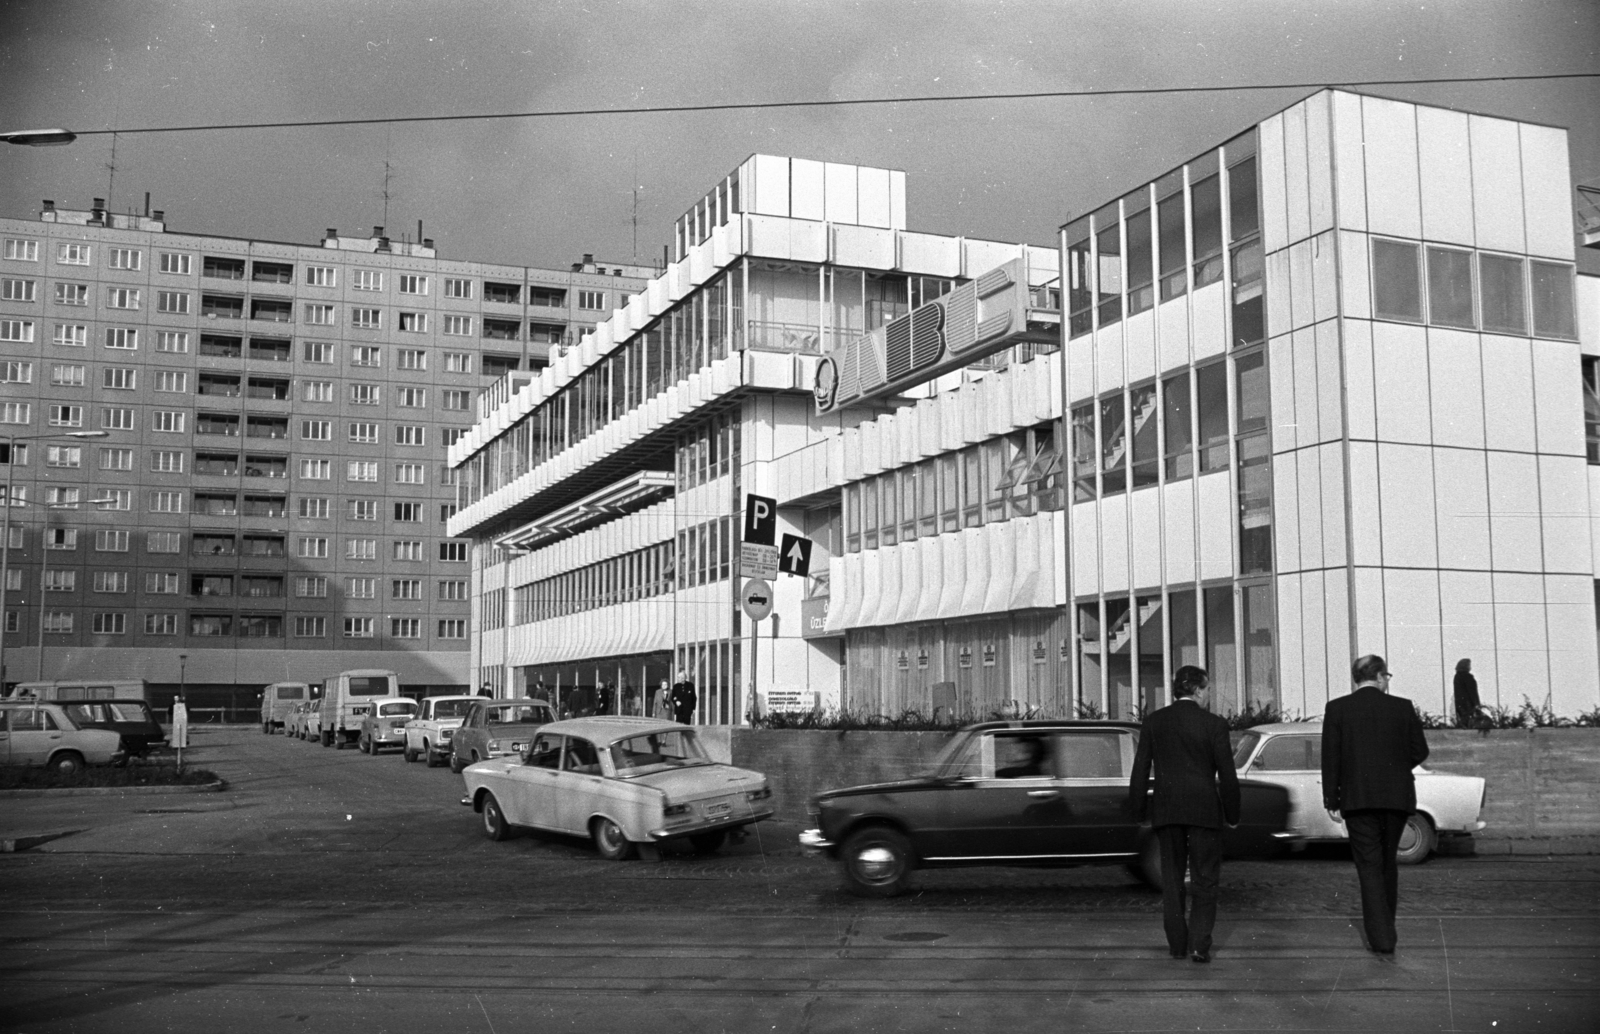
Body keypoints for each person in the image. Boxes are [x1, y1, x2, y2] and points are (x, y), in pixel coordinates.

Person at [1126, 665, 1240, 964]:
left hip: (1167, 810)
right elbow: (1227, 774)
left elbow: (1140, 770)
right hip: (1204, 811)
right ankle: (1200, 945)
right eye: (1208, 690)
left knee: (1172, 878)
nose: (1209, 696)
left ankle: (1177, 944)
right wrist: (1233, 812)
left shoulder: (1154, 722)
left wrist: (1138, 810)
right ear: (1198, 690)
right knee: (1205, 879)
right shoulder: (1214, 724)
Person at [1321, 654, 1430, 958]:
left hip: (1357, 800)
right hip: (1396, 798)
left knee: (1368, 867)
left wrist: (1332, 797)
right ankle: (1387, 928)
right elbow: (1420, 750)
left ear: (1356, 678)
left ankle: (1382, 938)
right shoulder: (1402, 707)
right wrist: (1394, 768)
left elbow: (1330, 757)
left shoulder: (1338, 708)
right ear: (1380, 676)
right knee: (1387, 864)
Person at [1453, 659, 1481, 728]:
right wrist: (1476, 704)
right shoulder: (1468, 676)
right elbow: (1472, 692)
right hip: (1468, 703)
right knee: (1470, 721)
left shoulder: (1457, 676)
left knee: (1463, 721)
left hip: (1459, 703)